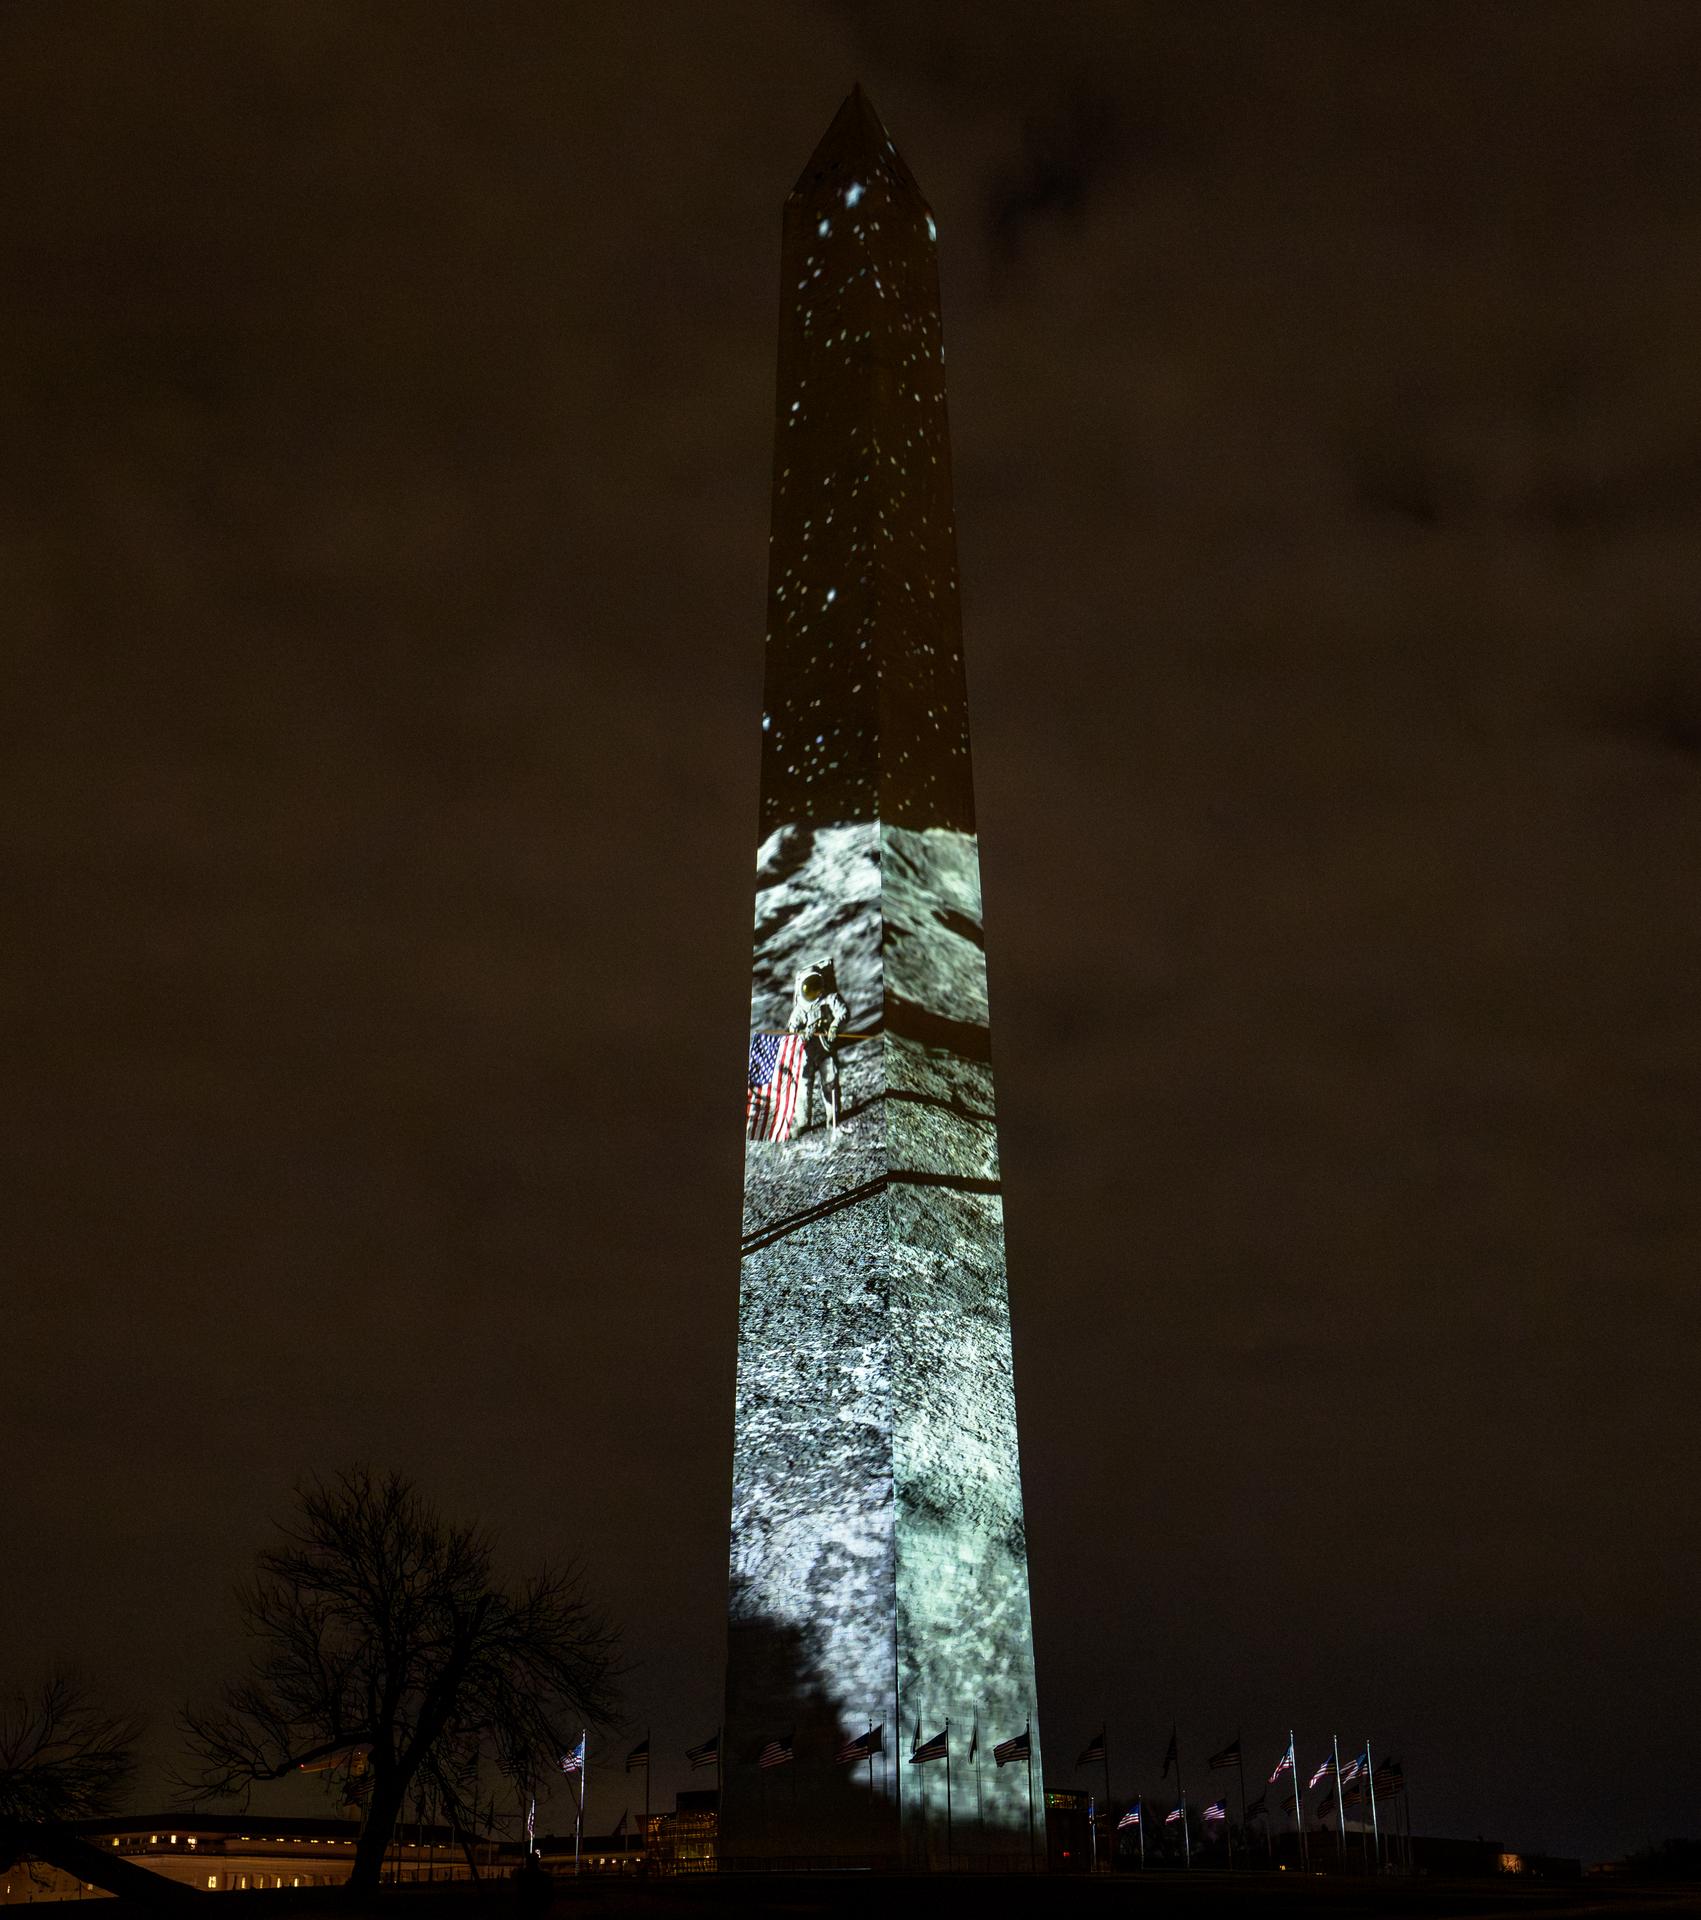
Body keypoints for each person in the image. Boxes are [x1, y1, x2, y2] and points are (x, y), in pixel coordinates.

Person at [786, 957, 847, 1131]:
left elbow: (843, 1012)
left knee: (830, 1080)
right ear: (802, 988)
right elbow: (792, 1029)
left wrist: (834, 1025)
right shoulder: (800, 1009)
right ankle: (803, 1122)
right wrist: (801, 1035)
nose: (813, 992)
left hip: (825, 1048)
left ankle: (833, 1116)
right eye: (809, 988)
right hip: (806, 1052)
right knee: (803, 1085)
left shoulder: (830, 999)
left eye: (816, 986)